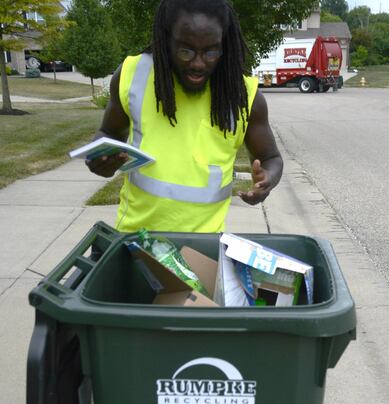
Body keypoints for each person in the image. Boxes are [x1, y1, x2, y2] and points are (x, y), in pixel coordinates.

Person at [87, 0, 283, 233]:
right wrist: (101, 159)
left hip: (202, 248)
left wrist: (266, 182)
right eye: (185, 51)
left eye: (211, 51)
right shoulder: (134, 74)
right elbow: (109, 133)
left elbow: (271, 158)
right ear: (166, 40)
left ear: (224, 46)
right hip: (135, 241)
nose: (198, 64)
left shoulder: (244, 97)